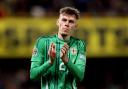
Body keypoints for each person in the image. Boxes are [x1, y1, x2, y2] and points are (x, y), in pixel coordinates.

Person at [30, 6, 86, 89]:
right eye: (64, 20)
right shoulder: (42, 42)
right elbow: (33, 75)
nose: (66, 24)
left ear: (75, 26)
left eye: (71, 22)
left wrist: (66, 61)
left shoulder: (79, 45)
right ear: (58, 22)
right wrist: (49, 62)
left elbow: (80, 76)